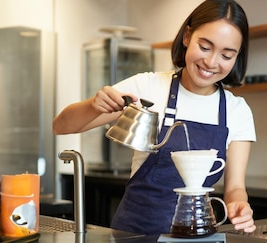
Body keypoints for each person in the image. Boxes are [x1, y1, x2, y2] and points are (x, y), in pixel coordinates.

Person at [52, 0, 256, 235]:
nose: (211, 62)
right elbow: (61, 126)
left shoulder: (237, 110)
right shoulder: (148, 87)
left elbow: (235, 188)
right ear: (187, 36)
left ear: (237, 56)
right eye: (205, 46)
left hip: (194, 233)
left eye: (227, 55)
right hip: (134, 234)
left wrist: (238, 204)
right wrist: (93, 105)